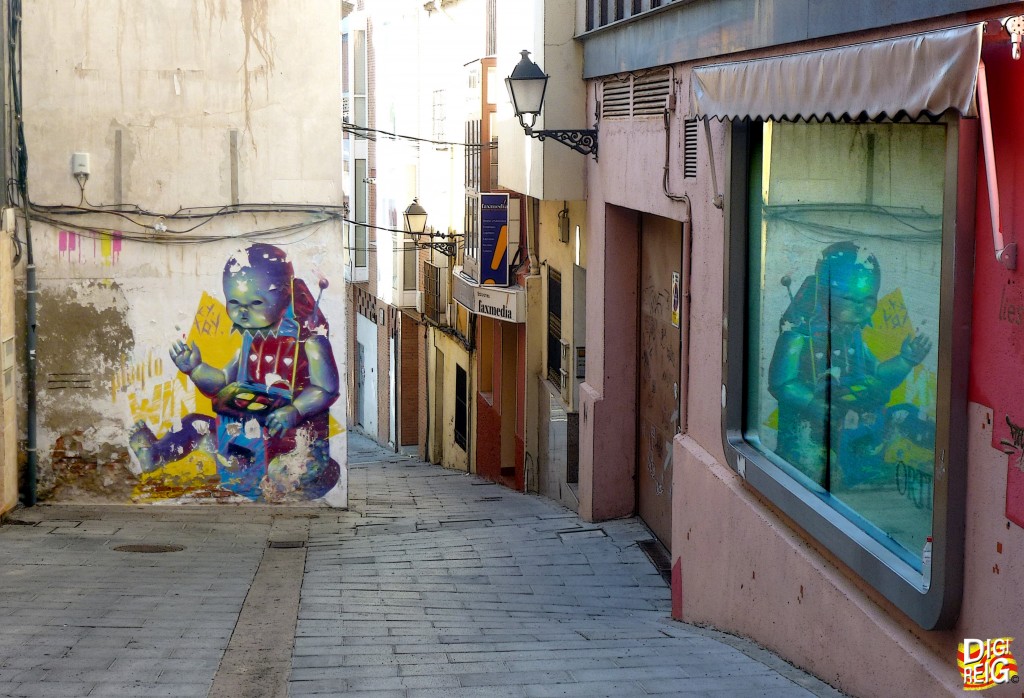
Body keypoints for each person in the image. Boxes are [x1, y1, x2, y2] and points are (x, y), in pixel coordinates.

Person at [129, 243, 340, 501]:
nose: (243, 312)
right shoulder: (251, 338)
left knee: (281, 473)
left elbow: (326, 388)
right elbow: (222, 383)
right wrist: (196, 369)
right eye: (234, 302)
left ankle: (268, 483)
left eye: (255, 302)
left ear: (284, 296)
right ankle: (157, 453)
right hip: (242, 438)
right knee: (193, 425)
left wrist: (295, 410)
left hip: (291, 445)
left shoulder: (309, 339)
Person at [768, 241, 931, 488]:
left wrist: (905, 361)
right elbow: (782, 383)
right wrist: (812, 403)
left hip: (848, 422)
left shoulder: (851, 335)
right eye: (849, 300)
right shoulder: (798, 335)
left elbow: (875, 372)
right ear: (826, 295)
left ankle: (861, 468)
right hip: (806, 436)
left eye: (868, 300)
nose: (861, 309)